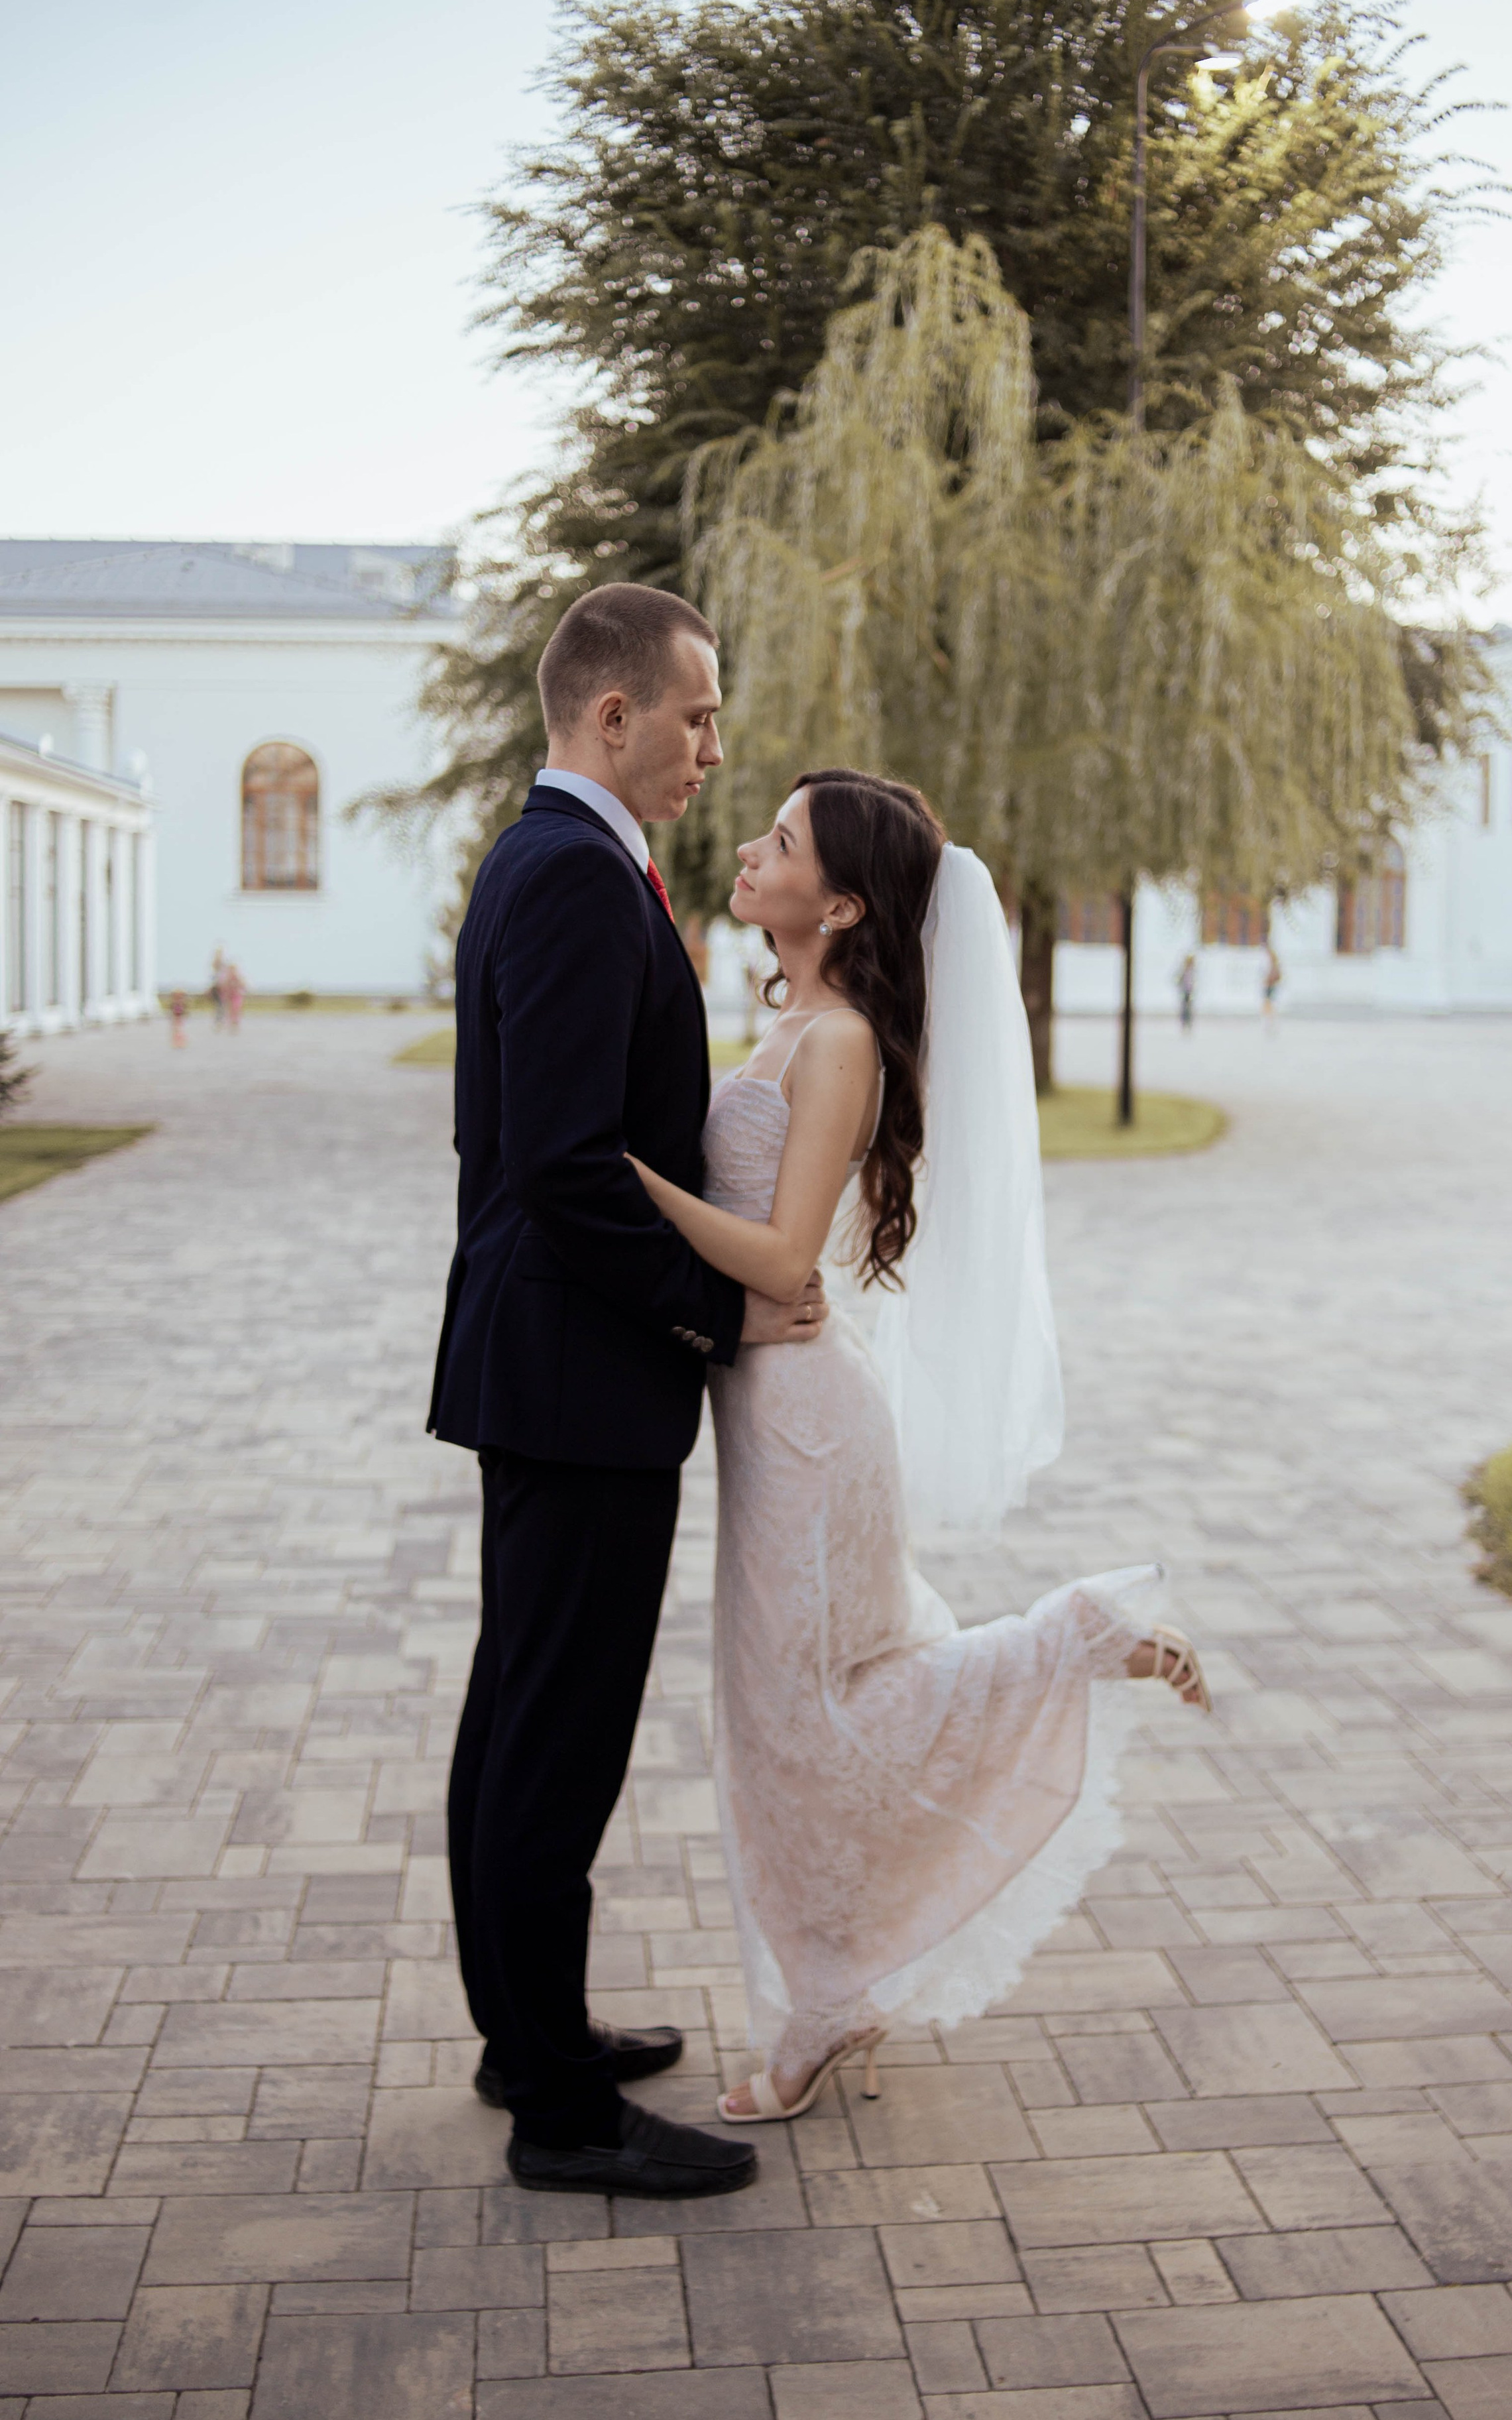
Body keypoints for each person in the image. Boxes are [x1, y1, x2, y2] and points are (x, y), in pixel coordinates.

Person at [628, 771, 1209, 2124]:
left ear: (835, 904)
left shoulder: (835, 1045)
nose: (751, 849)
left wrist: (624, 1179)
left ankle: (1070, 1635)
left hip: (807, 1426)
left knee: (811, 1712)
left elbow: (777, 1257)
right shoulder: (798, 1025)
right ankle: (837, 1984)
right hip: (773, 1413)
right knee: (782, 1722)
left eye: (781, 841)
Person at [428, 584, 824, 2201]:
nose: (712, 749)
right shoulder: (576, 879)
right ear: (612, 715)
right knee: (555, 1730)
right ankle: (562, 2114)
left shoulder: (554, 861)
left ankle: (531, 2038)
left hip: (544, 1360)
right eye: (696, 716)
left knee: (519, 1709)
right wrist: (710, 1313)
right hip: (582, 1367)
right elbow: (568, 1165)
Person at [1262, 941, 1283, 1028]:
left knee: (1268, 1002)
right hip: (1271, 983)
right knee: (1269, 1001)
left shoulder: (1271, 959)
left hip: (1270, 983)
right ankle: (1270, 1018)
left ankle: (1270, 1019)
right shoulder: (1274, 959)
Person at [1176, 951, 1197, 1031]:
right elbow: (1180, 980)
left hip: (1190, 992)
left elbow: (1193, 982)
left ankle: (1188, 1024)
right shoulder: (1184, 971)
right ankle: (1184, 1024)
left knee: (1189, 1009)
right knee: (1185, 1009)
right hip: (1185, 992)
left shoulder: (1192, 971)